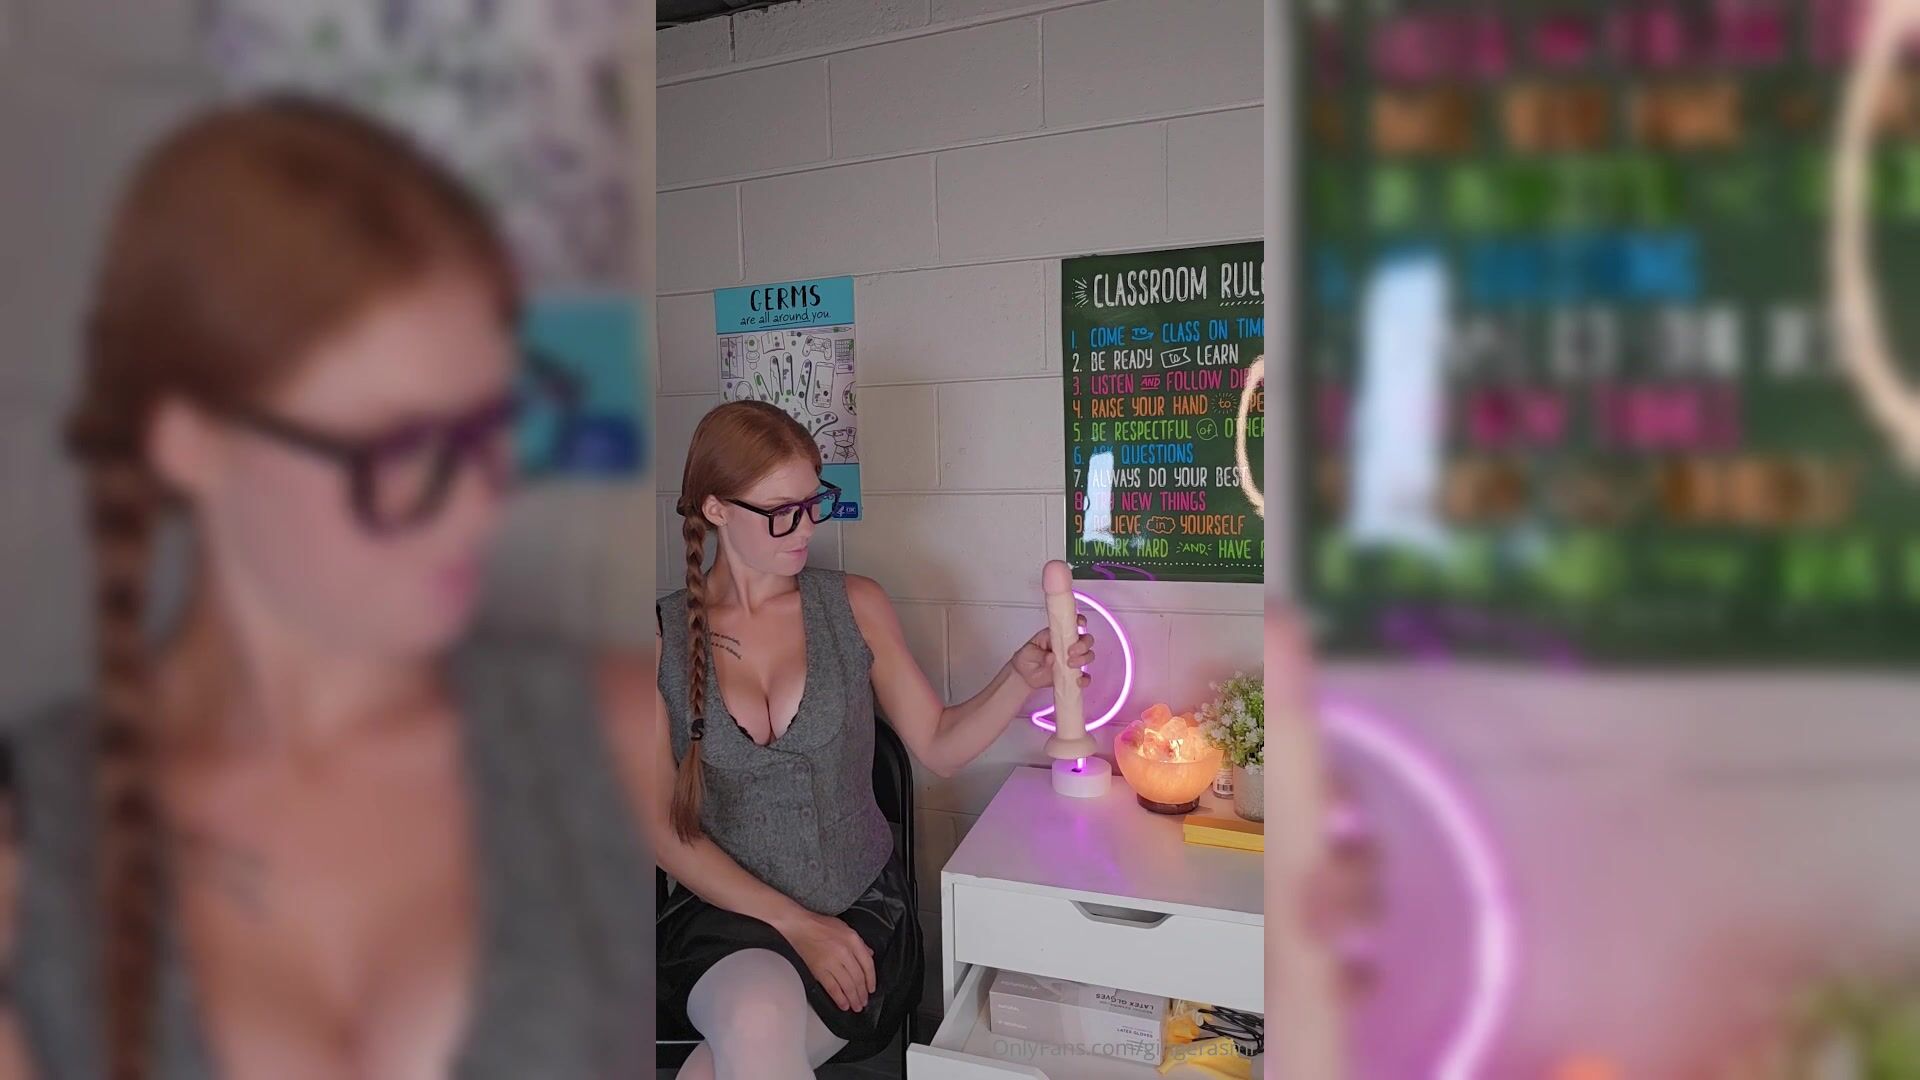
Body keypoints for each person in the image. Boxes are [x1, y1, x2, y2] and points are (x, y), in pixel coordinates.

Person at [0, 96, 656, 1079]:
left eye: (492, 429)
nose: (480, 507)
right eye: (404, 451)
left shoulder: (607, 734)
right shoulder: (40, 830)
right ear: (191, 443)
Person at [649, 400, 1097, 1080]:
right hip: (723, 918)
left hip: (861, 908)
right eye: (783, 511)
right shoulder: (656, 639)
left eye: (814, 501)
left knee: (726, 1058)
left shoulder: (854, 605)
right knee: (754, 1018)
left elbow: (940, 745)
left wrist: (1019, 678)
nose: (808, 526)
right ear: (715, 509)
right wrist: (798, 924)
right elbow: (663, 829)